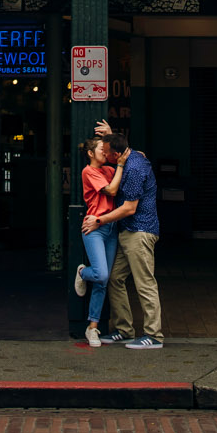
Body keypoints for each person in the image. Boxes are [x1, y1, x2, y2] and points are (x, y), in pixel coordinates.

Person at [87, 121, 162, 349]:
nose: (105, 157)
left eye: (108, 153)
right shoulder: (130, 157)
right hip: (128, 231)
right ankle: (124, 329)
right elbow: (129, 150)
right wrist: (110, 136)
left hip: (140, 231)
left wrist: (99, 220)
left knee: (145, 283)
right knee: (115, 278)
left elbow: (129, 208)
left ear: (117, 155)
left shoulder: (134, 169)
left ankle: (154, 336)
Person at [71, 135, 126, 347]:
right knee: (100, 273)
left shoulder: (110, 170)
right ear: (90, 153)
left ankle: (92, 327)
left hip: (111, 227)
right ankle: (82, 272)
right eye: (101, 150)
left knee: (103, 281)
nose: (105, 152)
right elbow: (112, 191)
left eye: (106, 149)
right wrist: (120, 165)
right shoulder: (89, 171)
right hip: (94, 227)